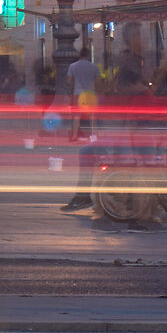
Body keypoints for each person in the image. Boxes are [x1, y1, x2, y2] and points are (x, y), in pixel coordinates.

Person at [61, 43, 103, 211]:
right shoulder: (94, 67)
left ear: (80, 55)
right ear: (89, 55)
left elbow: (69, 81)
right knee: (92, 116)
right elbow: (98, 81)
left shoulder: (72, 66)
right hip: (91, 93)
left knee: (77, 116)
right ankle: (94, 135)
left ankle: (75, 135)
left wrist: (71, 90)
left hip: (78, 93)